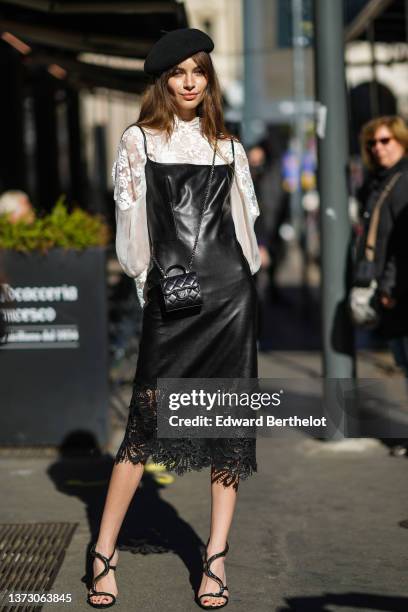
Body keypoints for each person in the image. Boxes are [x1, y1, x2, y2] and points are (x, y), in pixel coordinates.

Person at [87, 28, 261, 609]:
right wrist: (149, 289)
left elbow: (247, 238)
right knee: (143, 430)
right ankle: (103, 553)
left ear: (209, 79)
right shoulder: (139, 141)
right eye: (178, 72)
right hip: (171, 300)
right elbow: (132, 236)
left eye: (199, 71)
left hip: (229, 300)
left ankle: (215, 560)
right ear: (164, 80)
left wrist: (241, 288)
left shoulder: (229, 148)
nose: (190, 81)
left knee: (228, 435)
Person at [356, 116, 408, 452]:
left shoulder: (402, 183)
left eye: (386, 141)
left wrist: (389, 288)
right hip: (396, 289)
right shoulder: (379, 181)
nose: (379, 148)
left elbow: (404, 244)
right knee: (403, 363)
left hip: (401, 290)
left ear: (402, 142)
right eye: (373, 143)